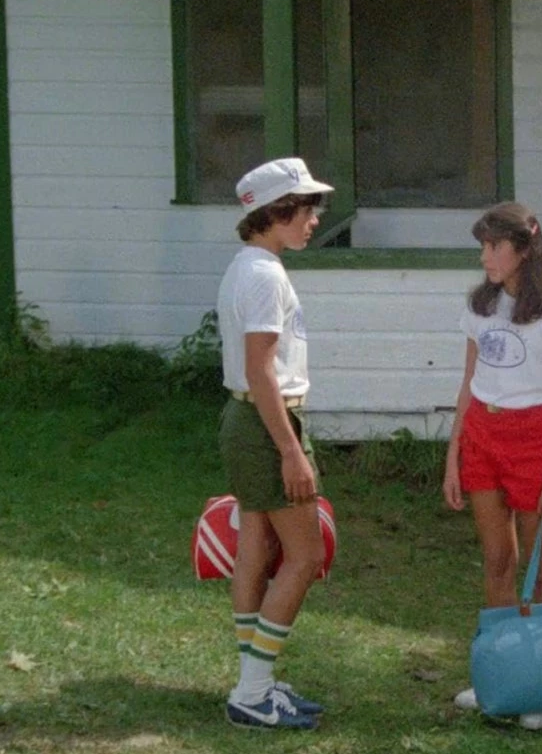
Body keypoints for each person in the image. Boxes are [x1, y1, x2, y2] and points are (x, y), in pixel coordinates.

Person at [442, 202, 542, 732]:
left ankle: (539, 685)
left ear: (524, 249)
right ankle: (498, 677)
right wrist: (454, 454)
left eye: (494, 246)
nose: (486, 257)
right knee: (498, 561)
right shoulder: (480, 307)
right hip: (482, 433)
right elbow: (467, 384)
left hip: (534, 441)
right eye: (482, 246)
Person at [215, 157, 332, 731]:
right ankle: (253, 692)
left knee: (258, 544)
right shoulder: (264, 275)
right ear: (275, 211)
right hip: (267, 423)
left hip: (245, 419)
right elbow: (262, 371)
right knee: (305, 555)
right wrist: (290, 450)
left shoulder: (248, 266)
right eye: (307, 208)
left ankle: (252, 683)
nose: (314, 218)